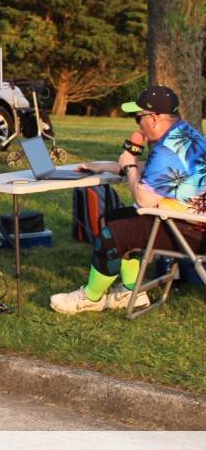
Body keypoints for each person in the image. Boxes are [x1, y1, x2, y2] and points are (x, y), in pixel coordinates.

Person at [50, 85, 206, 313]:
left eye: (138, 117)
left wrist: (130, 165)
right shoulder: (185, 135)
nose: (138, 124)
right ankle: (132, 291)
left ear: (154, 118)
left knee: (112, 235)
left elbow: (144, 199)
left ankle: (91, 298)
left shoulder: (168, 150)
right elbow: (156, 170)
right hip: (189, 221)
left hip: (190, 229)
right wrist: (105, 166)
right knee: (114, 217)